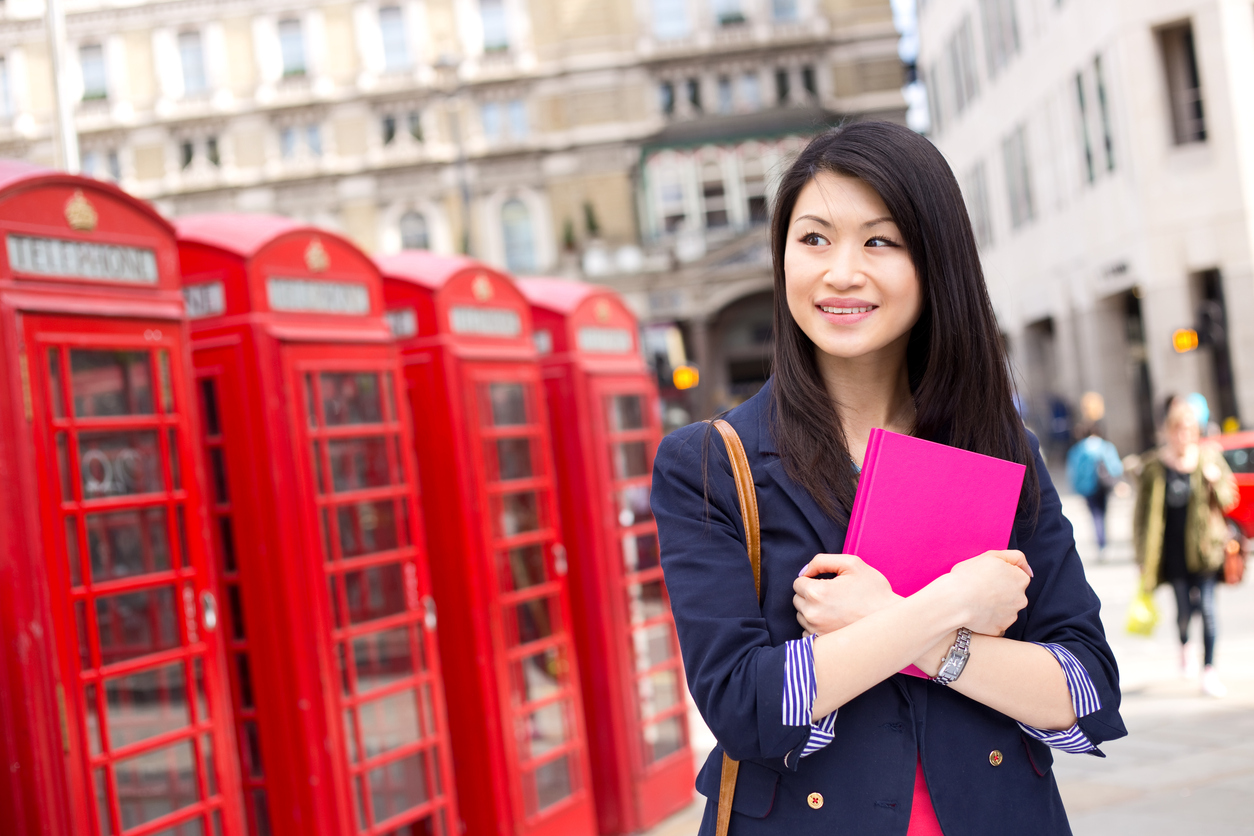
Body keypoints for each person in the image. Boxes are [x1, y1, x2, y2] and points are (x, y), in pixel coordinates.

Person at [651, 122, 1125, 836]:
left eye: (880, 241)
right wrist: (951, 604)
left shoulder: (1002, 452)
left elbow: (1085, 688)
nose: (841, 272)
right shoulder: (713, 465)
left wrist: (897, 630)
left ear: (935, 263)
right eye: (814, 239)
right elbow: (749, 710)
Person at [1133, 395, 1237, 697]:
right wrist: (1142, 556)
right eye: (1178, 430)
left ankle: (1209, 670)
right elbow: (1142, 517)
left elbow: (1230, 499)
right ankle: (1184, 646)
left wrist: (1215, 482)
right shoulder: (1154, 466)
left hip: (1205, 551)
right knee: (1183, 611)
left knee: (1207, 610)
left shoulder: (1209, 459)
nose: (1184, 436)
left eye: (1189, 430)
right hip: (1172, 552)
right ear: (1169, 431)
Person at [1066, 420, 1123, 555]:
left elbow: (1073, 470)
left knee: (1095, 515)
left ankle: (1100, 543)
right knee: (1103, 513)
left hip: (1087, 487)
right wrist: (1117, 482)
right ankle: (1104, 542)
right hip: (1103, 486)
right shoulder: (1106, 447)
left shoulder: (1078, 450)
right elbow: (1115, 466)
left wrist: (1076, 487)